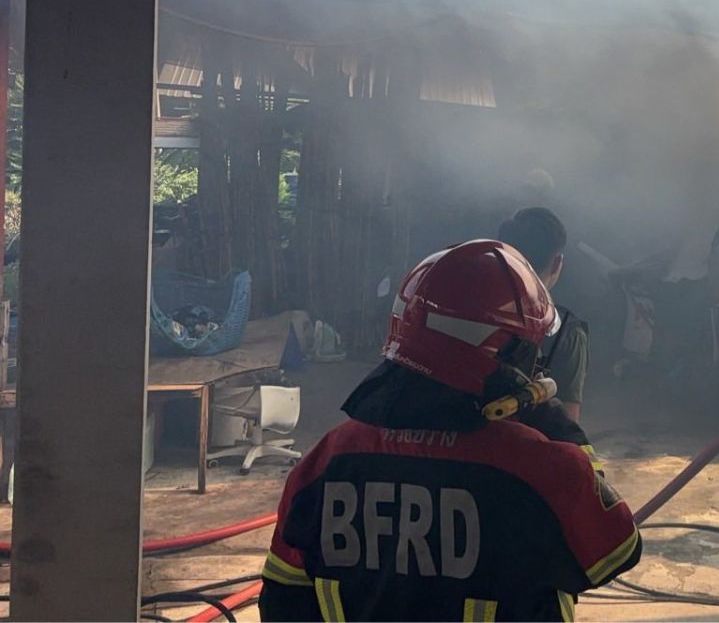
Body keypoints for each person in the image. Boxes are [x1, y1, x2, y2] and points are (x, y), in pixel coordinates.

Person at [259, 240, 640, 621]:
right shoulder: (542, 468)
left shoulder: (326, 459)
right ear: (509, 353)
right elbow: (616, 551)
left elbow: (281, 599)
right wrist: (554, 424)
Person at [499, 207, 589, 424]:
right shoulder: (567, 332)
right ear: (557, 264)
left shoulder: (457, 307)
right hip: (522, 444)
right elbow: (568, 426)